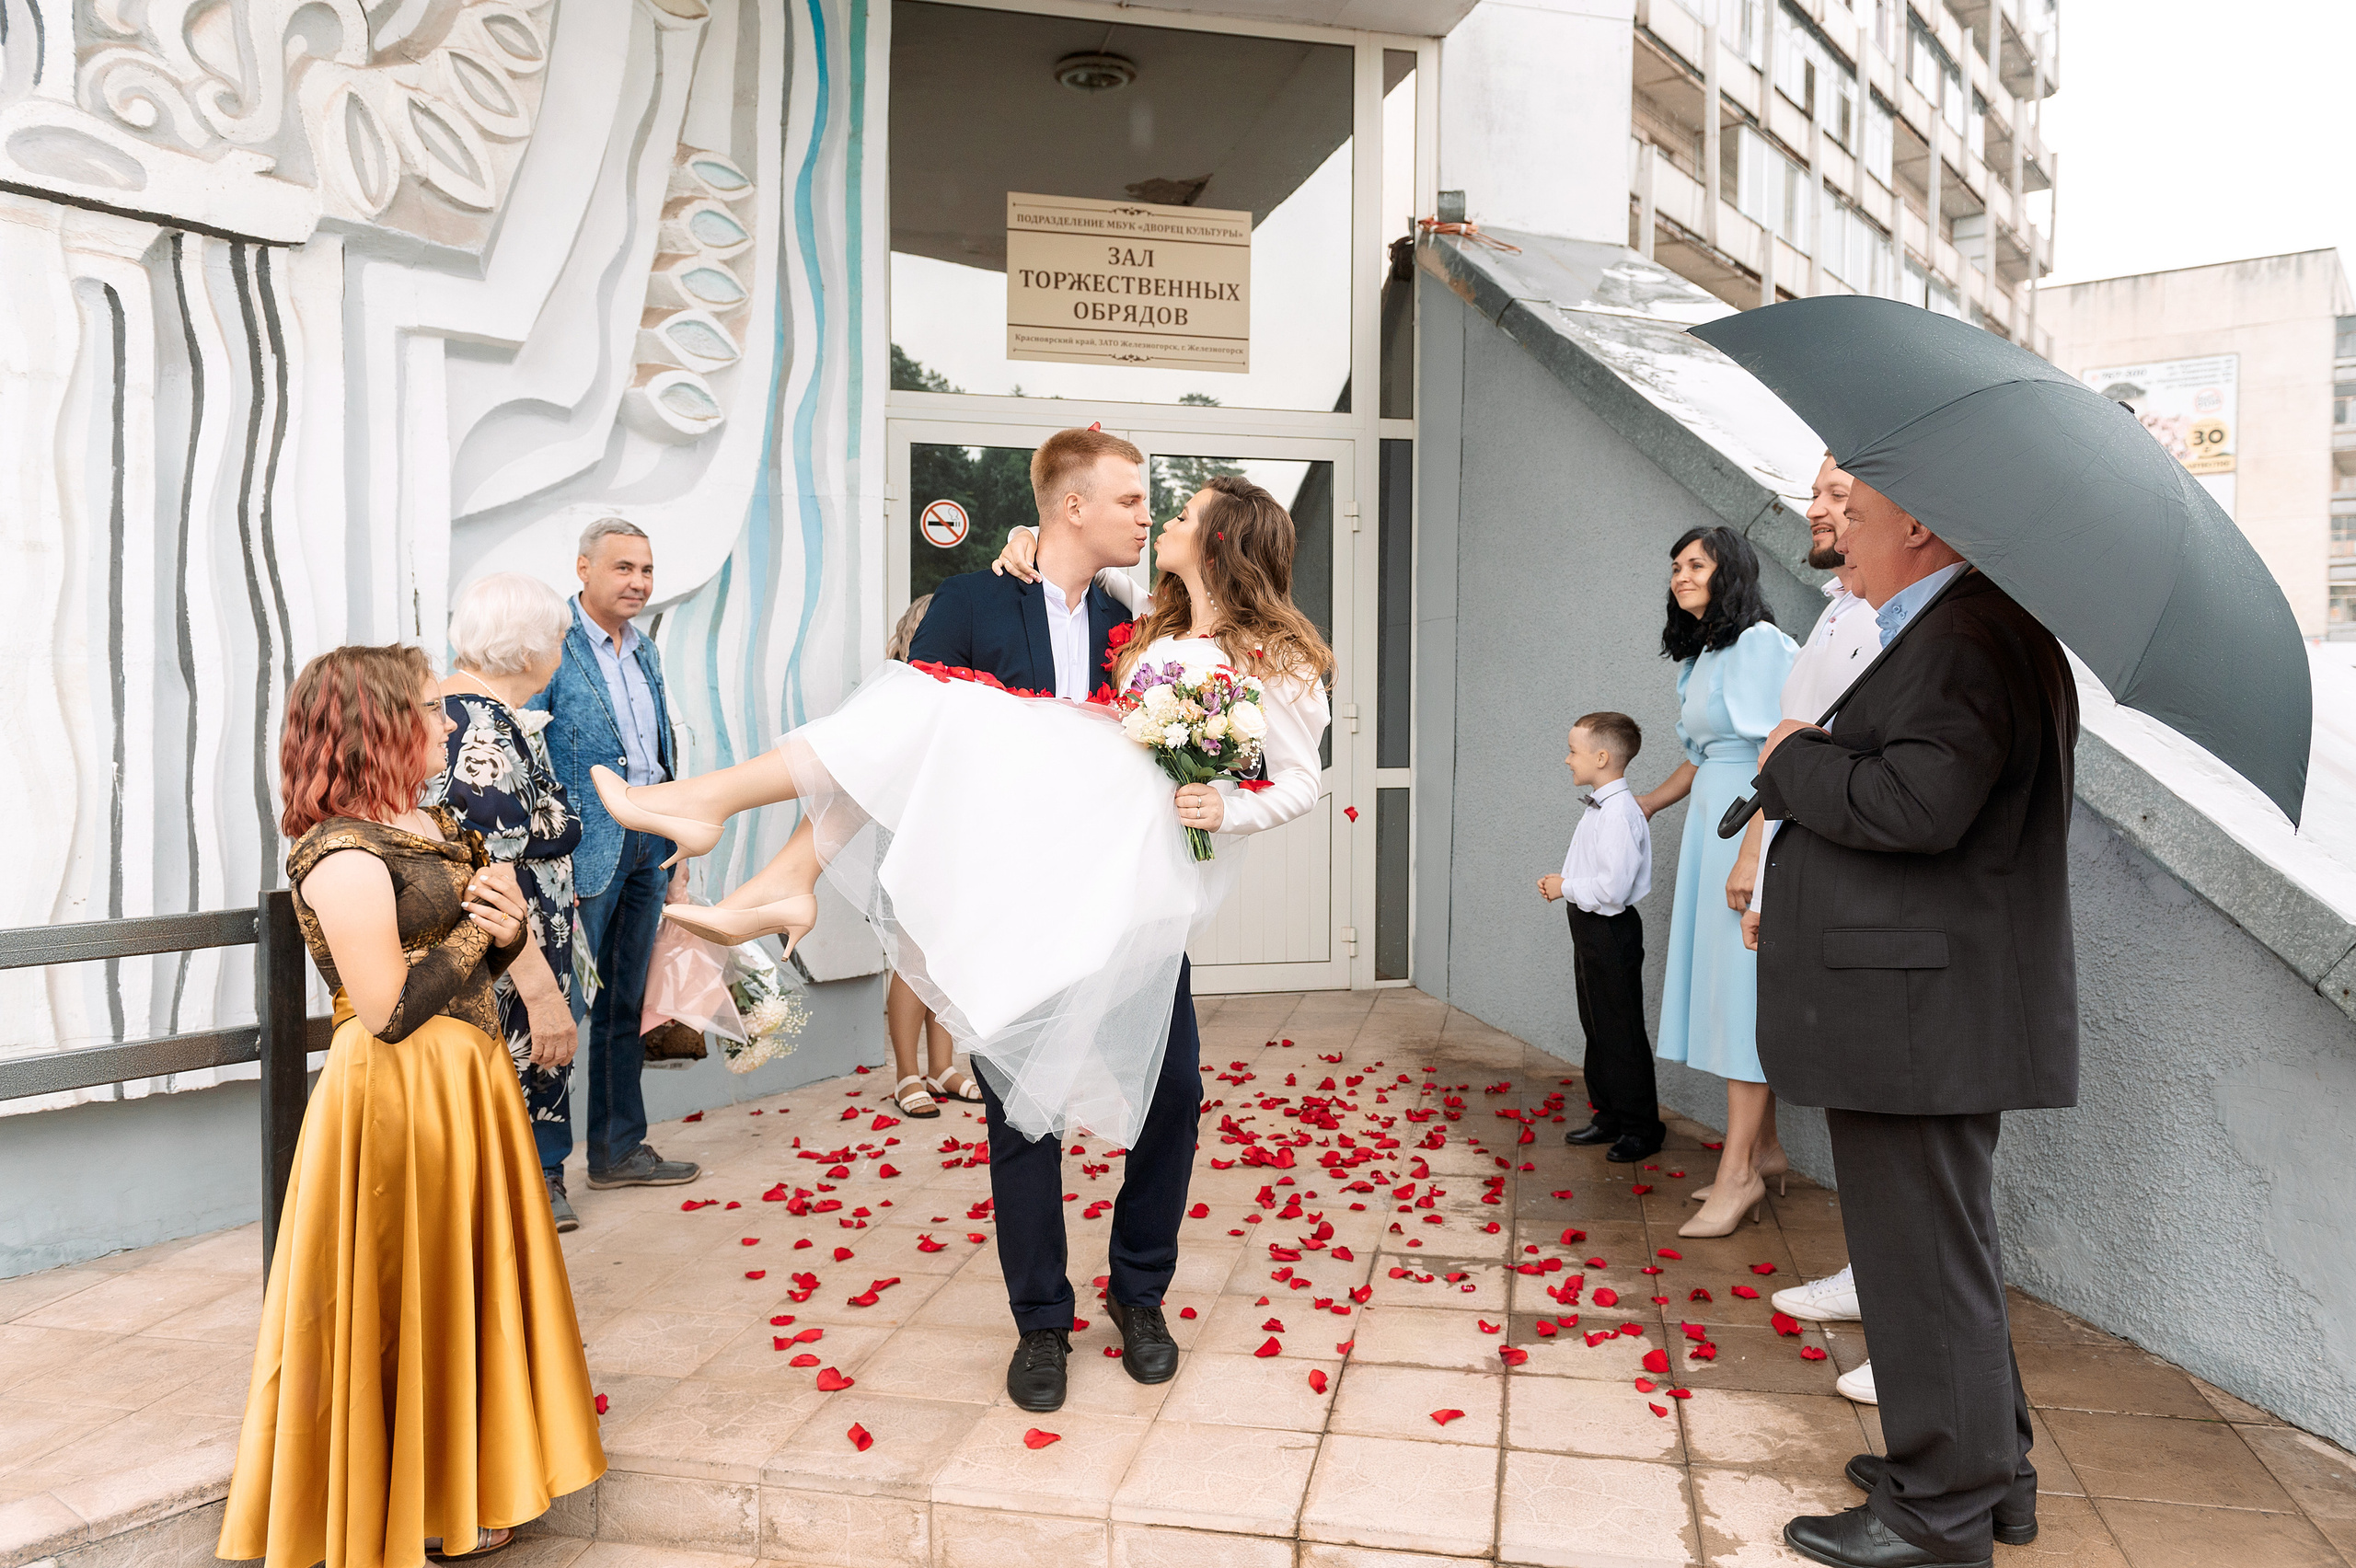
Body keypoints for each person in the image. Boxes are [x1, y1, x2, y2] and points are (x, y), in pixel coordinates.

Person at [585, 435, 1332, 1418]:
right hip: (1011, 895)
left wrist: (1223, 807)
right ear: (1069, 511)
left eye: (1168, 511)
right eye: (1132, 500)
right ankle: (1040, 1323)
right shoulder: (984, 601)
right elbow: (900, 759)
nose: (1151, 517)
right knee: (1021, 1112)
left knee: (1171, 1097)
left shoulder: (1133, 624)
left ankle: (1139, 1297)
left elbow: (1274, 767)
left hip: (1123, 903)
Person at [221, 645, 605, 1568]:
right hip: (398, 1095)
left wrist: (526, 968)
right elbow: (387, 1009)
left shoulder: (430, 820)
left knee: (463, 1292)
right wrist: (488, 927)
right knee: (412, 1296)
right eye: (431, 710)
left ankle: (471, 1481)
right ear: (378, 727)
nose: (448, 726)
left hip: (465, 1084)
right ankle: (419, 1501)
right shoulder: (340, 852)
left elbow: (495, 930)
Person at [1753, 476, 2075, 1568]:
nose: (1837, 526)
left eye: (1862, 509)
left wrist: (1791, 758)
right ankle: (1990, 1480)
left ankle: (1937, 1514)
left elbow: (1916, 805)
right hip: (1918, 1007)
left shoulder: (1969, 635)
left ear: (1923, 525)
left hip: (1916, 1012)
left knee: (1923, 1263)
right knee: (1943, 1252)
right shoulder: (1966, 626)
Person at [1731, 456, 1884, 1408]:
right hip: (1800, 849)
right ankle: (1868, 1278)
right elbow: (1789, 739)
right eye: (1820, 492)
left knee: (1884, 1098)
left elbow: (1830, 753)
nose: (1820, 508)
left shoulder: (1892, 619)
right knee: (1848, 1086)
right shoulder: (1838, 603)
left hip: (1856, 878)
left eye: (1839, 494)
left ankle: (1902, 1315)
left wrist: (1760, 844)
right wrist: (1755, 850)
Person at [1633, 526, 1797, 1236]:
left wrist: (1752, 856)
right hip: (1713, 825)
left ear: (1730, 572)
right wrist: (1639, 804)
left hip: (1747, 832)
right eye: (1675, 565)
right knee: (1727, 989)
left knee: (1741, 996)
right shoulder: (1706, 654)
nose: (1681, 574)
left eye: (1696, 564)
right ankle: (1764, 1151)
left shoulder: (1759, 643)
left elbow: (1778, 752)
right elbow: (1702, 760)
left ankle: (1737, 1177)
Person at [529, 517, 701, 1191]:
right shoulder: (553, 644)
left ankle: (618, 1150)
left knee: (625, 1005)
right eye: (624, 568)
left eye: (647, 570)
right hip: (581, 855)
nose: (638, 582)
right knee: (560, 1009)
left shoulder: (646, 651)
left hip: (650, 844)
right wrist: (549, 855)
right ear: (583, 569)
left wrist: (681, 839)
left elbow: (659, 756)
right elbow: (531, 750)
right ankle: (543, 1172)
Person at [426, 573, 587, 1230]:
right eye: (557, 638)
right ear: (526, 650)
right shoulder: (482, 728)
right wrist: (543, 990)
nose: (561, 650)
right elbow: (488, 874)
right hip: (511, 966)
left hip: (514, 956)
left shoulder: (466, 712)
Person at [877, 592, 985, 1118]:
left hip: (958, 832)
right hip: (913, 833)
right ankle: (906, 1073)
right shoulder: (900, 690)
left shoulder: (966, 689)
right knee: (912, 957)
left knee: (947, 953)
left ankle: (943, 1065)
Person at [1544, 712, 1660, 1160]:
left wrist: (1565, 887)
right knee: (1596, 1023)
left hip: (1610, 928)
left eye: (1573, 751)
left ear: (1602, 756)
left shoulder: (1618, 814)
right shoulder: (1601, 806)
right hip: (1589, 925)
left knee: (1620, 1028)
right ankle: (1609, 1115)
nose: (1567, 759)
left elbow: (1612, 891)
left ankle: (1640, 1127)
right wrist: (1566, 881)